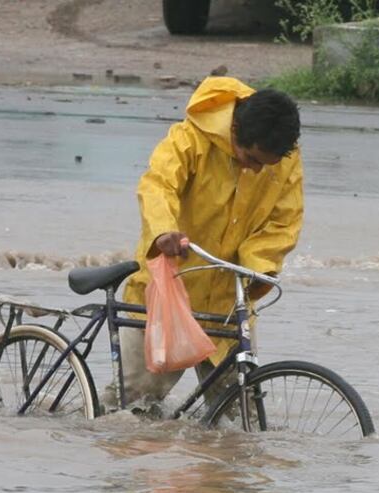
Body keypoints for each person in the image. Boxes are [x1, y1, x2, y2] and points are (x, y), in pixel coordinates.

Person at [115, 76, 303, 409]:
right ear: (234, 134)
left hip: (229, 300)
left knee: (237, 416)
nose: (258, 170)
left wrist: (258, 268)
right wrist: (164, 231)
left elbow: (284, 221)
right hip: (169, 290)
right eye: (251, 159)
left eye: (266, 165)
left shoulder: (283, 158)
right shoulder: (189, 139)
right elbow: (158, 185)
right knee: (131, 408)